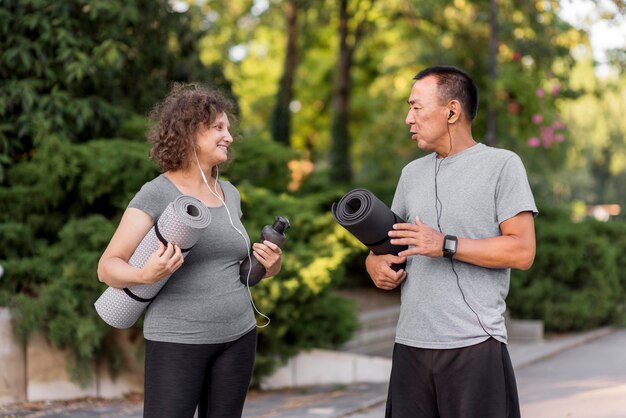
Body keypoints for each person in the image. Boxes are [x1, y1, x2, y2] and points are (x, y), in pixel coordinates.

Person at [97, 83, 282, 418]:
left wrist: (269, 266)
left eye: (229, 129)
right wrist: (143, 274)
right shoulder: (157, 193)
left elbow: (234, 264)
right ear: (190, 132)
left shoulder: (230, 193)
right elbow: (107, 266)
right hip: (177, 340)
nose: (228, 136)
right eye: (218, 128)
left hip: (238, 336)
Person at [365, 65, 537, 417]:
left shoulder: (502, 166)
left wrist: (445, 244)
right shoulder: (410, 174)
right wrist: (375, 265)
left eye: (416, 106)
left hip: (474, 347)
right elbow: (386, 248)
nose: (408, 118)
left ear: (452, 111)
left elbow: (522, 250)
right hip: (410, 347)